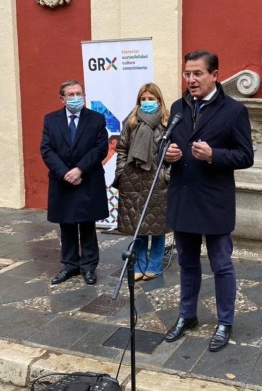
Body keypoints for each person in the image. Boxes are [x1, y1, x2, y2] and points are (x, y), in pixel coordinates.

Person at [164, 49, 254, 352]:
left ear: (214, 75)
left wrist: (215, 155)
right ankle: (187, 315)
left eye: (197, 73)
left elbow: (246, 156)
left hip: (214, 201)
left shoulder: (233, 110)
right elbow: (165, 144)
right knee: (187, 263)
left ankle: (225, 322)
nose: (191, 79)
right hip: (182, 198)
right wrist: (168, 155)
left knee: (221, 265)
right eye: (187, 73)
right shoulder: (178, 107)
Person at [40, 79, 109, 285]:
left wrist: (79, 169)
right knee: (67, 223)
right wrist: (65, 173)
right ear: (62, 98)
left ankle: (88, 266)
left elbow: (100, 148)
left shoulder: (96, 119)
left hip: (87, 179)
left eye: (79, 93)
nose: (76, 98)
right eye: (70, 95)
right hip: (62, 181)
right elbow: (47, 149)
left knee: (87, 224)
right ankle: (70, 265)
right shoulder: (51, 120)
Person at [113, 83, 171, 281]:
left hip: (157, 181)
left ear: (159, 100)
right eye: (143, 99)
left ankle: (154, 266)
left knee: (157, 227)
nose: (147, 102)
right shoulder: (130, 121)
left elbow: (174, 152)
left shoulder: (167, 122)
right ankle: (139, 265)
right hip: (133, 181)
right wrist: (121, 172)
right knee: (138, 227)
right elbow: (121, 149)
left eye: (151, 99)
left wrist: (166, 175)